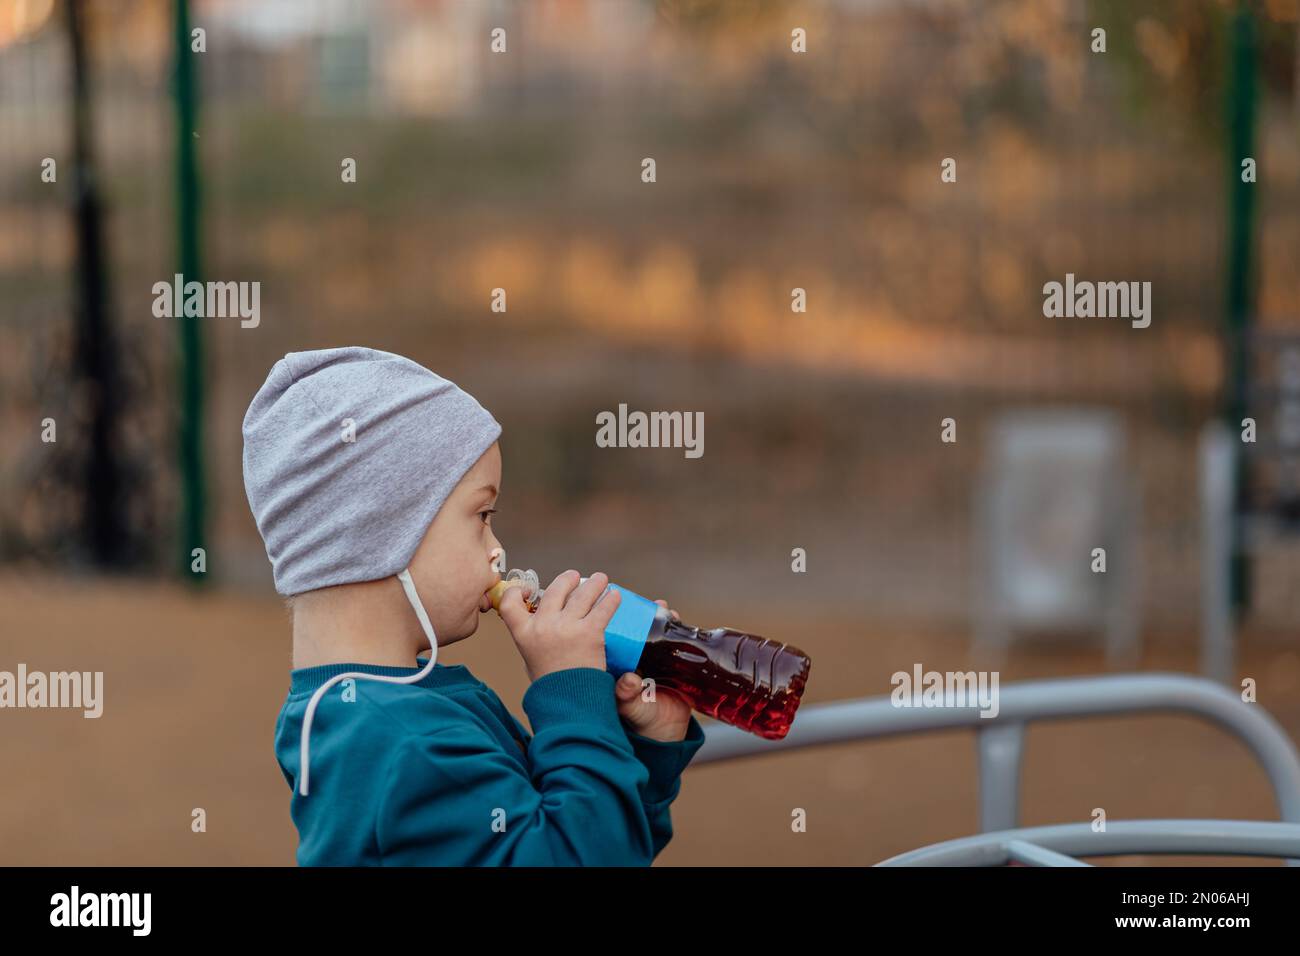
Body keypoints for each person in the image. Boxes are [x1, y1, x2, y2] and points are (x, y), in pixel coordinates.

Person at [243, 346, 705, 865]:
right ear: (383, 532)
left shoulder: (382, 710)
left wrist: (647, 747)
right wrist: (570, 690)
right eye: (482, 514)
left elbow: (591, 842)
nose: (497, 550)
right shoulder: (407, 745)